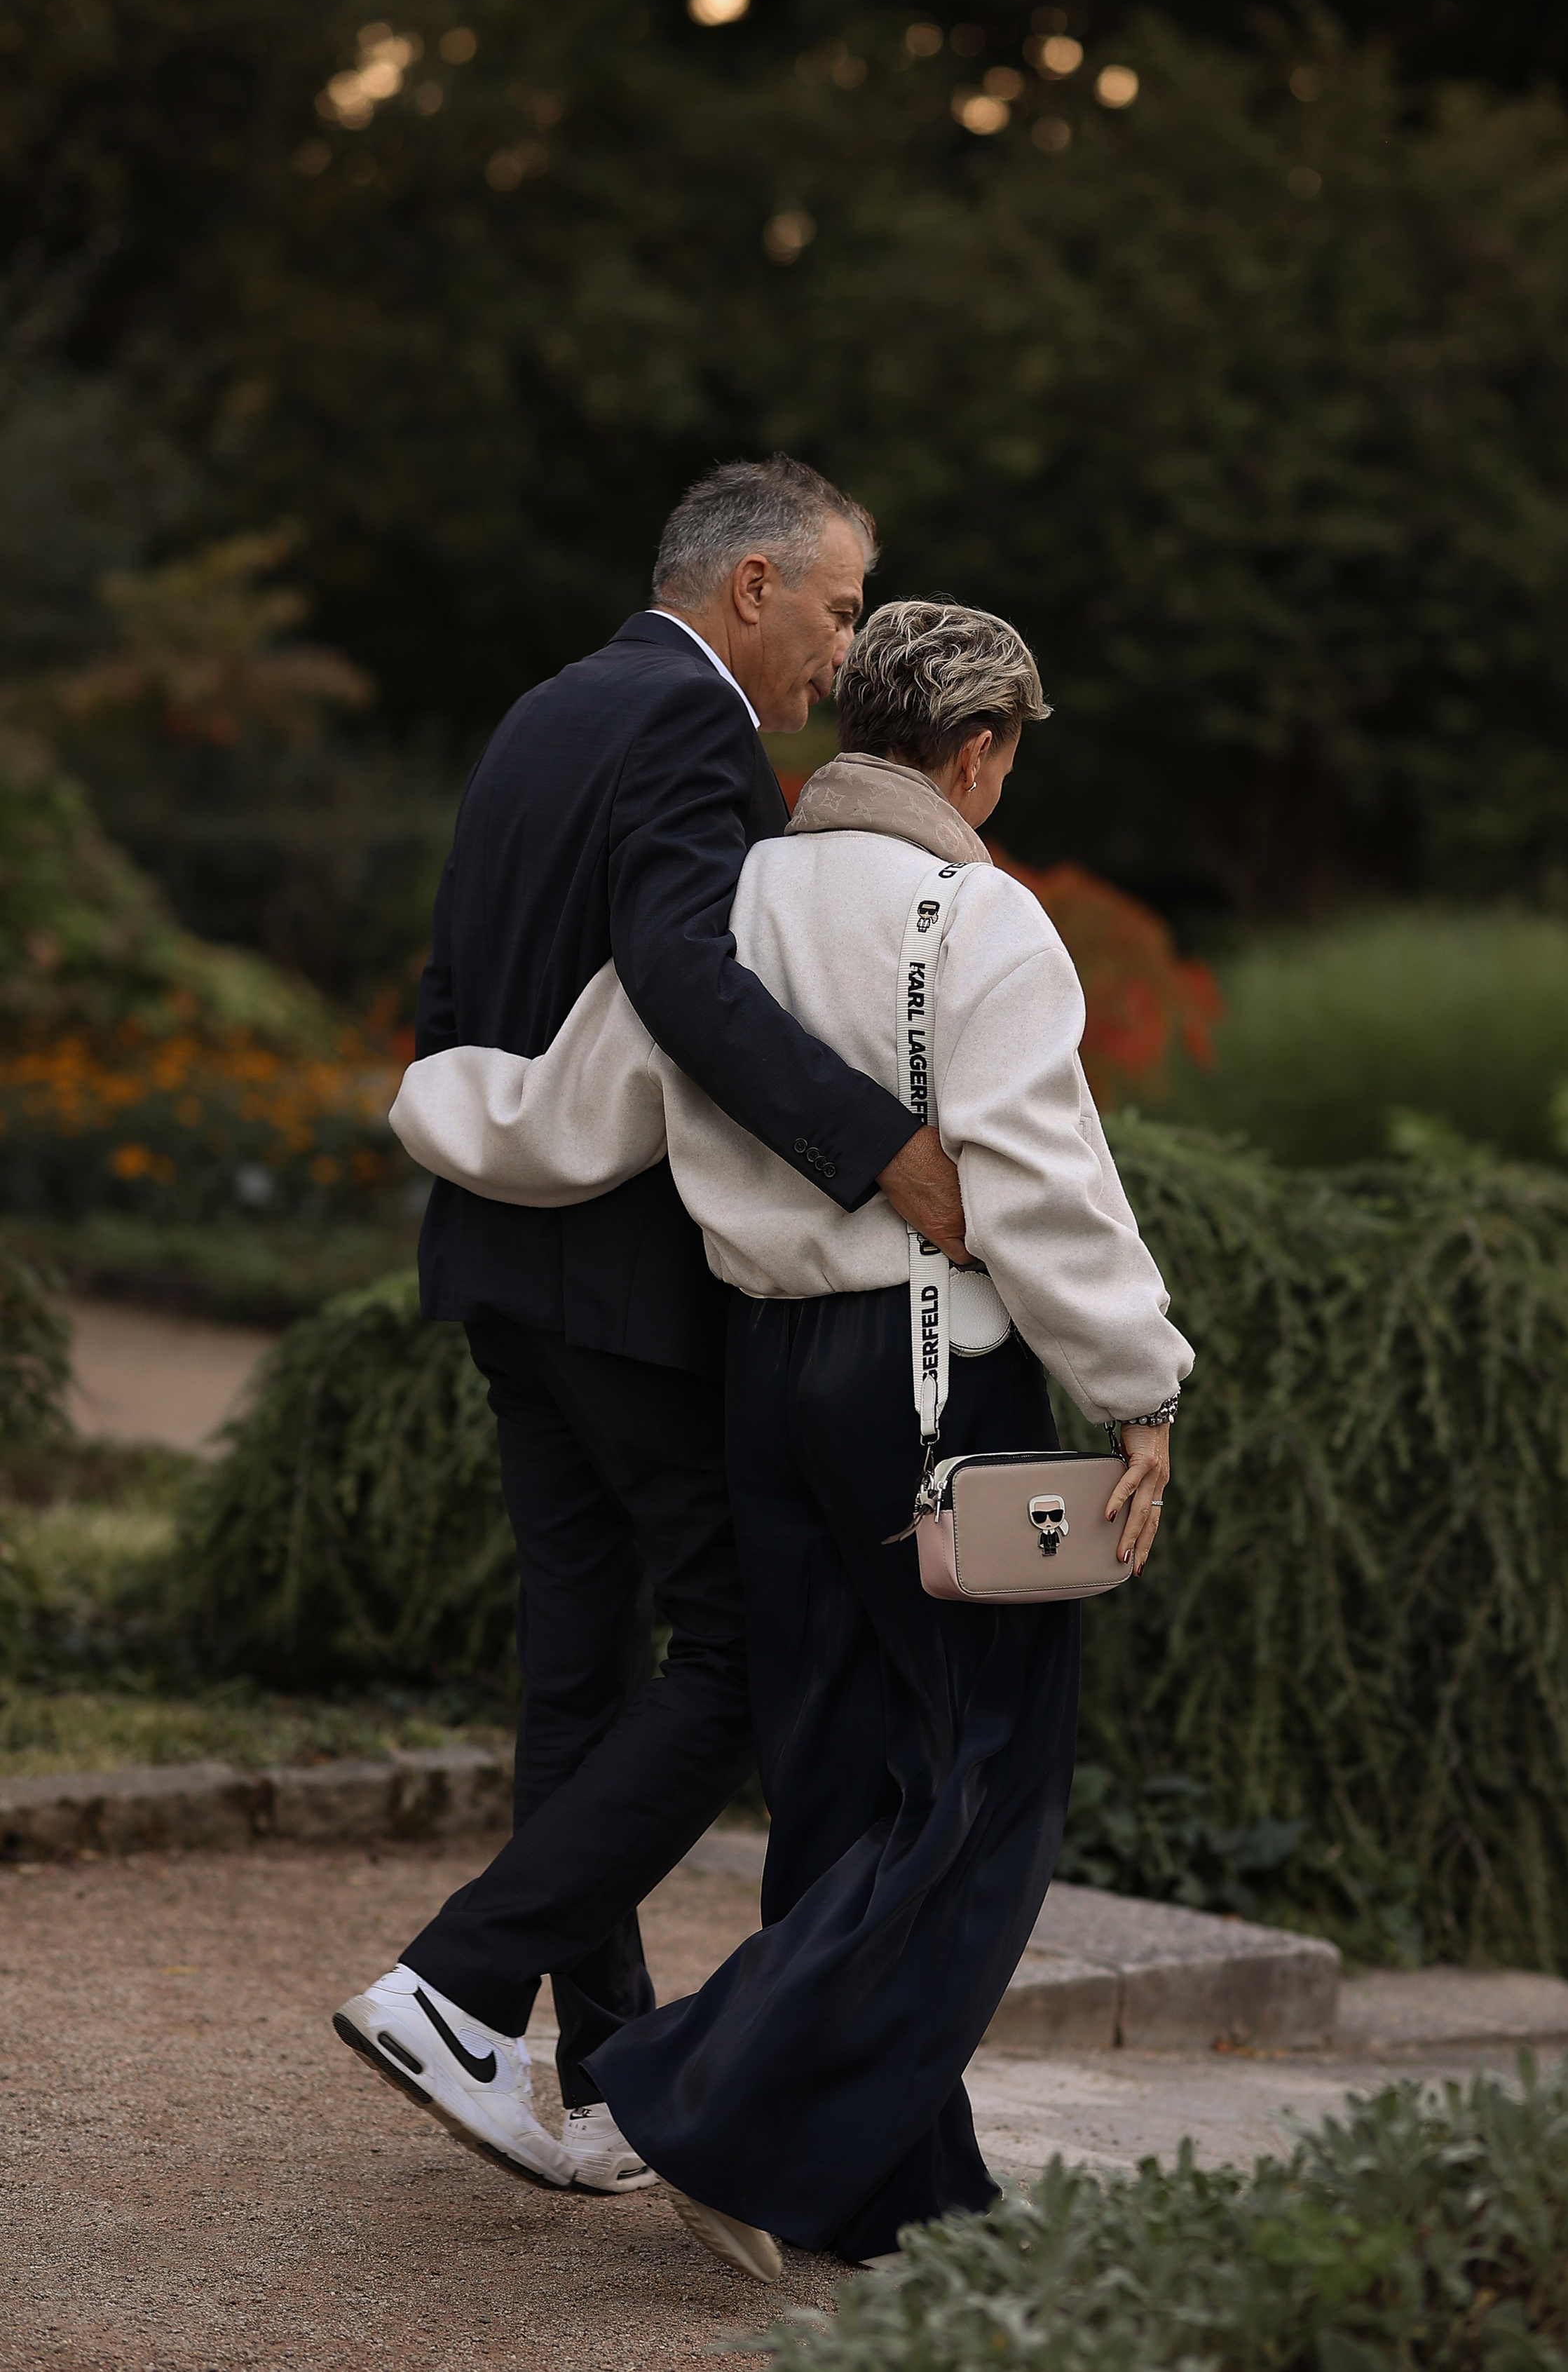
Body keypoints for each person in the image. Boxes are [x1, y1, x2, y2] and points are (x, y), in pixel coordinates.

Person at [388, 600, 1194, 2279]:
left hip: (760, 1377)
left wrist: (429, 1097)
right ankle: (716, 2104)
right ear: (974, 753)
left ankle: (887, 2187)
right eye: (1007, 757)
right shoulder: (982, 916)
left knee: (835, 1772)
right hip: (932, 1381)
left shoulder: (735, 894)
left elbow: (572, 1111)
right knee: (979, 1779)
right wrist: (1138, 1388)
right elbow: (1041, 1186)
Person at [332, 461, 971, 2196]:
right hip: (619, 1284)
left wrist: (496, 1165)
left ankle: (600, 2061)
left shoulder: (547, 709)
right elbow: (686, 976)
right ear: (752, 585)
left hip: (498, 1253)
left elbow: (451, 989)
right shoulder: (695, 729)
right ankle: (456, 1985)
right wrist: (882, 1146)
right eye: (837, 607)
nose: (842, 652)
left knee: (580, 1668)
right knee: (740, 1659)